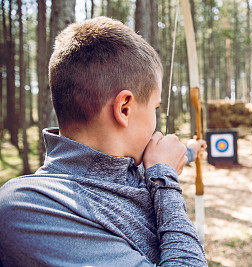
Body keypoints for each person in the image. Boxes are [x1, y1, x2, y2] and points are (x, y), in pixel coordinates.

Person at [0, 17, 207, 266]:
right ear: (124, 108)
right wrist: (165, 181)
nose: (156, 120)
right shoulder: (29, 208)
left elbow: (162, 161)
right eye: (155, 107)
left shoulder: (132, 168)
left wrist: (192, 150)